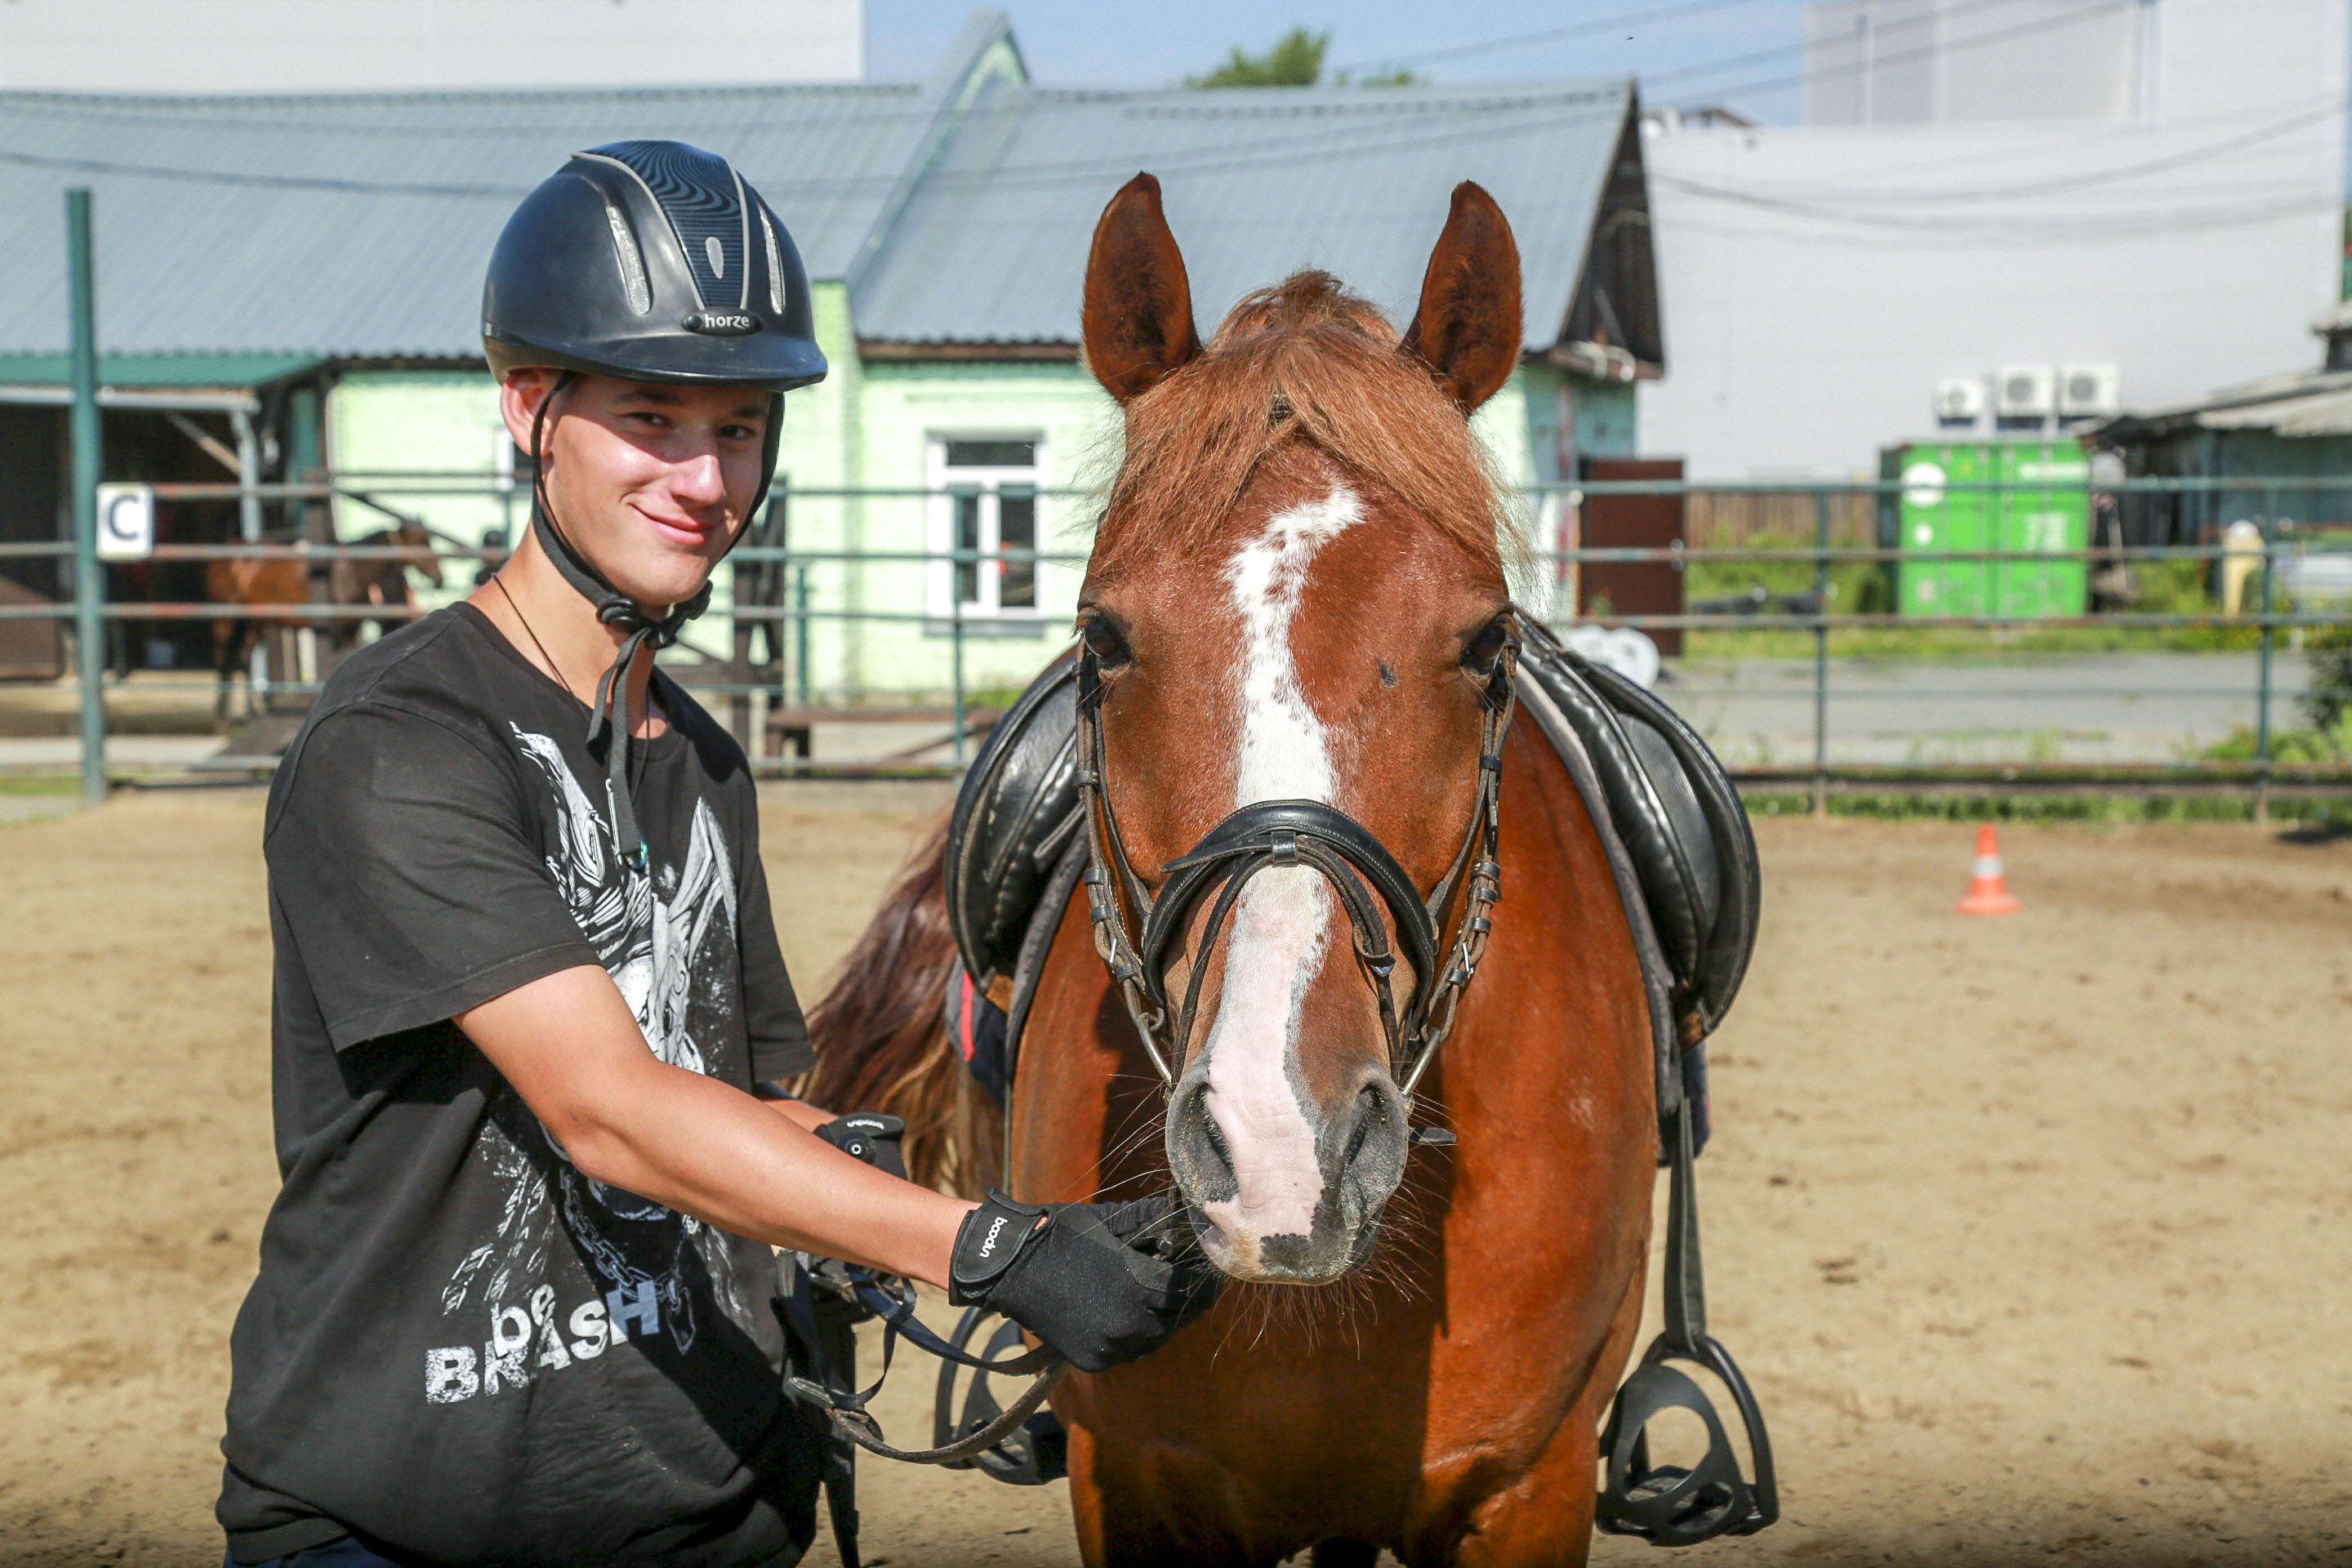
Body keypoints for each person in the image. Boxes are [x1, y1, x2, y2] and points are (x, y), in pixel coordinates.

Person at [216, 140, 1215, 1568]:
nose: (703, 478)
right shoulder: (400, 742)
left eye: (739, 428)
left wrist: (1031, 1228)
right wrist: (990, 1257)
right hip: (408, 1520)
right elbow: (610, 1110)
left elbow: (741, 1104)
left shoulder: (701, 756)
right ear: (529, 408)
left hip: (707, 1507)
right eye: (652, 418)